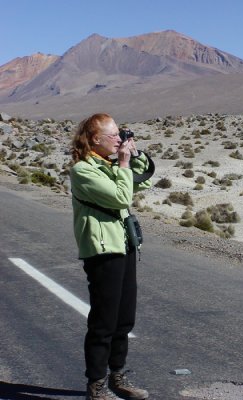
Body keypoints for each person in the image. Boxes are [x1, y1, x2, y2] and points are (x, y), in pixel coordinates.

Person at [70, 113, 152, 400]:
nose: (119, 139)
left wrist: (133, 155)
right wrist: (124, 164)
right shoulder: (83, 171)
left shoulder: (109, 165)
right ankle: (96, 384)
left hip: (124, 244)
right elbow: (121, 197)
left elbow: (140, 183)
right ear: (95, 139)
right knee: (104, 322)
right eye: (114, 135)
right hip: (103, 249)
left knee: (124, 318)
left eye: (121, 135)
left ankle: (118, 376)